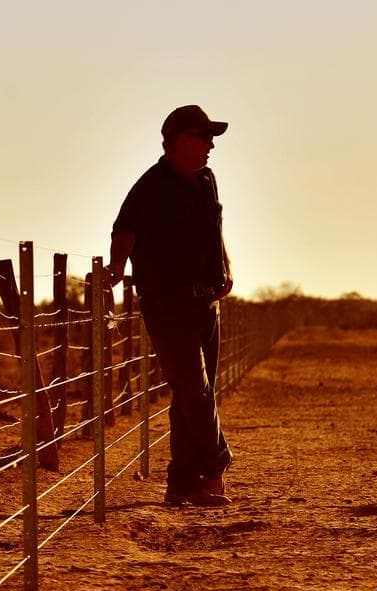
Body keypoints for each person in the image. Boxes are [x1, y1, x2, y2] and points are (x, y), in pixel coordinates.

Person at [107, 105, 234, 507]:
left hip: (207, 303)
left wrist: (226, 265)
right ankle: (216, 465)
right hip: (168, 303)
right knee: (194, 391)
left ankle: (181, 484)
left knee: (193, 395)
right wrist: (115, 268)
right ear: (181, 141)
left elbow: (215, 228)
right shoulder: (150, 186)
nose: (211, 145)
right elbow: (123, 229)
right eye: (205, 137)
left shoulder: (207, 179)